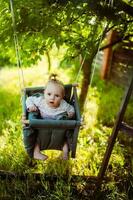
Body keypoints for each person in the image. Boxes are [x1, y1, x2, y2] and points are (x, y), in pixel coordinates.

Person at [26, 74, 75, 161]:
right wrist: (31, 106)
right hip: (41, 125)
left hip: (58, 127)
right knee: (36, 139)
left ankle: (65, 153)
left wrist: (71, 113)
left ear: (62, 97)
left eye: (57, 96)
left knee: (63, 140)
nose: (52, 98)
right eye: (49, 94)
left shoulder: (63, 104)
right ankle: (36, 153)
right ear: (44, 93)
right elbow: (29, 99)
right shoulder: (41, 101)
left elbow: (71, 108)